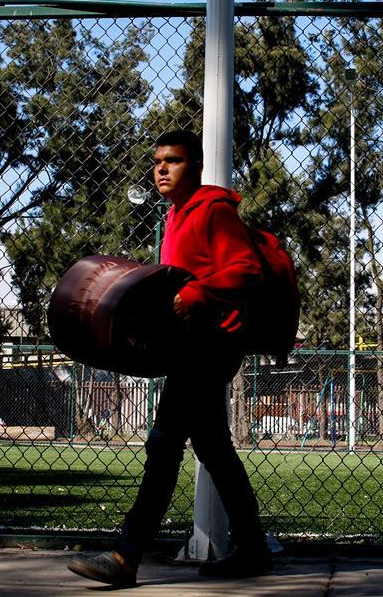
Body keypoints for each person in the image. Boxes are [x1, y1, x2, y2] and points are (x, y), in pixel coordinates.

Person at [67, 130, 271, 587]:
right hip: (190, 347)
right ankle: (254, 548)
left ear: (195, 167)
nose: (161, 169)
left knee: (163, 446)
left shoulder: (213, 209)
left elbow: (246, 268)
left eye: (173, 161)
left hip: (208, 348)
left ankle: (126, 555)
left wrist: (197, 293)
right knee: (214, 450)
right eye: (157, 161)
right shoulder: (177, 215)